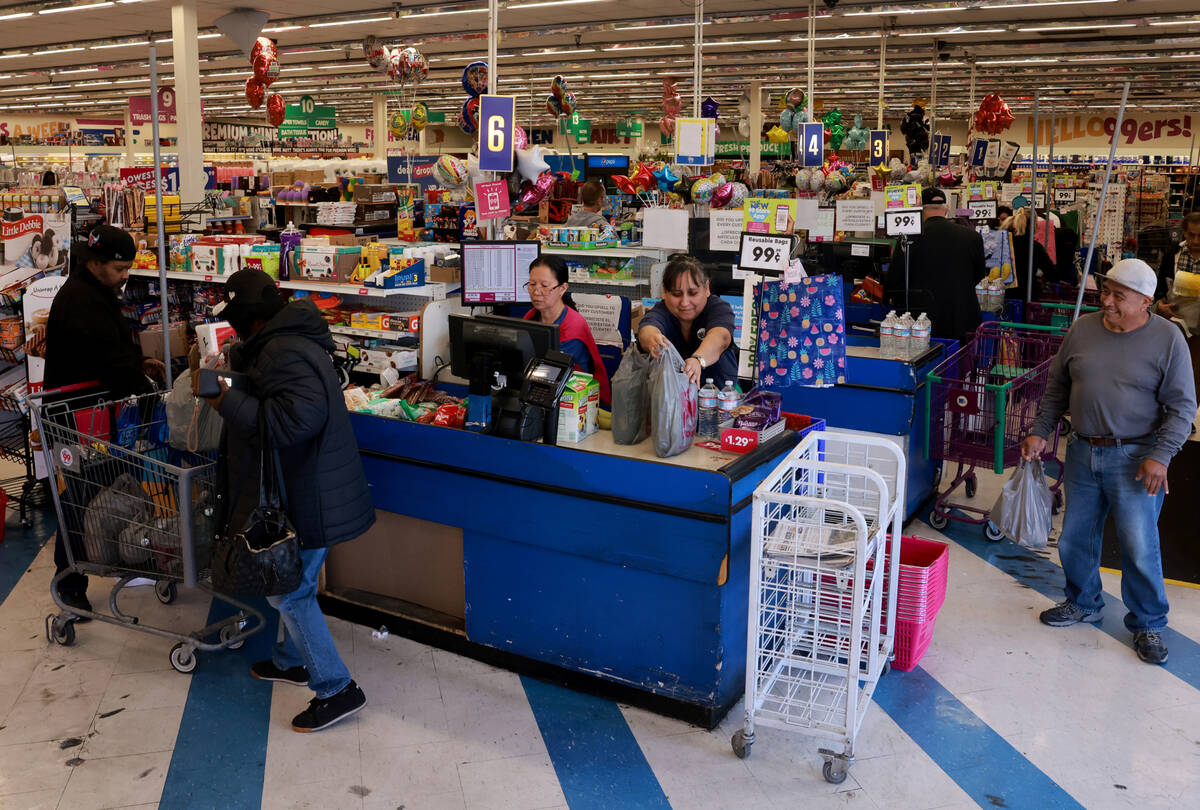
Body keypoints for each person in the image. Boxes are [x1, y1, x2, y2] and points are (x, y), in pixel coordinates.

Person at [203, 268, 374, 732]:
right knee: (292, 584)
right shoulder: (283, 341)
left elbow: (292, 422)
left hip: (311, 492)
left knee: (291, 593)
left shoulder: (285, 351)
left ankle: (337, 688)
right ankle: (289, 659)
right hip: (304, 485)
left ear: (251, 318)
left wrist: (226, 402)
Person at [1021, 258, 1196, 666]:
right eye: (1107, 291)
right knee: (1075, 537)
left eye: (1120, 295)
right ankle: (1083, 601)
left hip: (1137, 457)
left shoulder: (1168, 339)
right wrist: (1040, 428)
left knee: (1138, 543)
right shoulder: (1083, 329)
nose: (1109, 301)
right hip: (1082, 450)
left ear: (1145, 302)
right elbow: (1056, 387)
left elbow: (1183, 407)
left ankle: (1149, 621)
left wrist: (1161, 456)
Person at [43, 225, 165, 617]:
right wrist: (142, 383)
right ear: (95, 264)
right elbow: (106, 359)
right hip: (77, 415)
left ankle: (115, 556)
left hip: (94, 410)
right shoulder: (81, 301)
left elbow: (112, 351)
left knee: (107, 482)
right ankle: (70, 578)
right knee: (80, 493)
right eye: (119, 267)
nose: (126, 274)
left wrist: (139, 364)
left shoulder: (94, 291)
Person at [887, 187, 987, 345]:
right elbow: (980, 275)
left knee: (929, 366)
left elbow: (895, 277)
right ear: (946, 209)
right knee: (959, 366)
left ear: (921, 210)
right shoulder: (972, 237)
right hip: (960, 315)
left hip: (921, 320)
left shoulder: (908, 238)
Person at [523, 255, 611, 407]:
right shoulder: (531, 316)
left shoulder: (573, 327)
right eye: (532, 284)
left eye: (544, 286)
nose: (536, 292)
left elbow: (550, 373)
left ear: (562, 288)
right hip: (543, 396)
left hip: (576, 402)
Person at [637, 255, 737, 387]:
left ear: (706, 288)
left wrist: (698, 360)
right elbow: (647, 330)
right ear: (664, 292)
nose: (685, 303)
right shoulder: (661, 311)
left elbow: (721, 336)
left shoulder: (718, 308)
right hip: (671, 401)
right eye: (676, 294)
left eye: (693, 293)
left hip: (722, 398)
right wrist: (653, 340)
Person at [999, 206, 1056, 300]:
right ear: (1033, 225)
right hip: (1027, 297)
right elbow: (1053, 274)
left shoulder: (1002, 242)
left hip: (1001, 297)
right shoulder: (1035, 247)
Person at [1155, 211, 1200, 310]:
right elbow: (1160, 288)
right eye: (1192, 235)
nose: (1196, 241)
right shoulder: (1172, 254)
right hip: (1175, 318)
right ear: (1185, 233)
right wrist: (1159, 305)